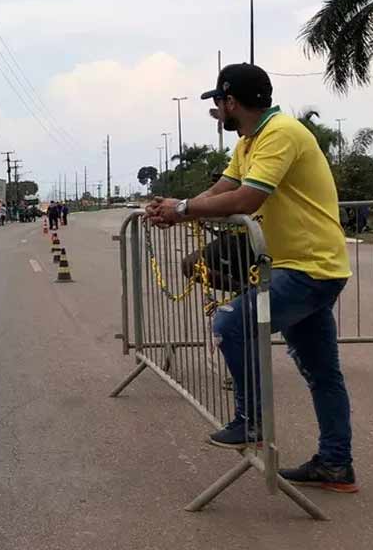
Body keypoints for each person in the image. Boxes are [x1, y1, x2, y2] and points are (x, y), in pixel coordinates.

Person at [147, 63, 355, 493]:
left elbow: (248, 197)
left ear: (231, 102)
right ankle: (336, 465)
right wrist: (176, 207)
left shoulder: (280, 132)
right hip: (297, 266)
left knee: (231, 324)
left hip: (310, 268)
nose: (217, 114)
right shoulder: (250, 142)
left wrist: (182, 209)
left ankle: (252, 420)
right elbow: (223, 188)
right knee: (322, 373)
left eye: (218, 105)